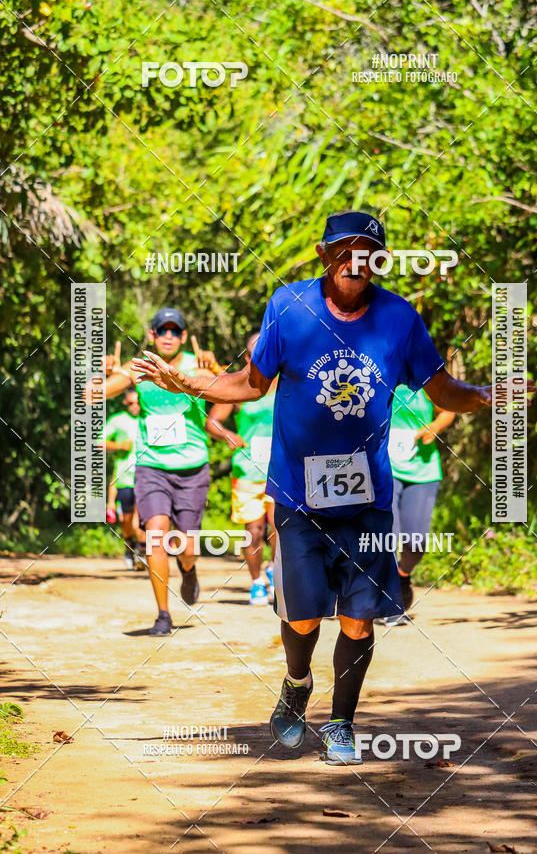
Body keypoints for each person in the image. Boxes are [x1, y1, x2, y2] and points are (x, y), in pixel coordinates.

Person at [132, 211, 499, 765]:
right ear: (324, 255)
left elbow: (442, 388)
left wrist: (486, 396)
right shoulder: (288, 306)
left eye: (369, 252)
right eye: (345, 249)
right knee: (302, 616)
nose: (357, 261)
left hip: (369, 495)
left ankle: (343, 723)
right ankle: (296, 685)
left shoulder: (400, 318)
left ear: (380, 260)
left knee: (358, 617)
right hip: (298, 493)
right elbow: (250, 385)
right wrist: (187, 381)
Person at [85, 309, 219, 635]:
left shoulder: (196, 364)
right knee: (156, 535)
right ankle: (163, 613)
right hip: (151, 466)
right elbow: (92, 395)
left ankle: (188, 570)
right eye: (162, 330)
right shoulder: (139, 366)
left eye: (175, 330)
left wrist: (213, 368)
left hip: (192, 466)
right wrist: (99, 375)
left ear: (184, 336)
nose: (168, 335)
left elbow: (241, 384)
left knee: (187, 547)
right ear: (152, 335)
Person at [376, 385, 455, 627]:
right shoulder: (381, 372)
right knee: (389, 535)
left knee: (417, 542)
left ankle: (402, 576)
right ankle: (389, 604)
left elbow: (448, 410)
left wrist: (434, 427)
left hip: (423, 468)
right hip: (386, 467)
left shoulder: (428, 378)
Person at [206, 332, 276, 605]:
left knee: (277, 528)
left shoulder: (286, 383)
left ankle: (278, 573)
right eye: (255, 353)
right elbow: (212, 422)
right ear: (247, 358)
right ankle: (257, 580)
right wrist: (227, 434)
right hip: (248, 469)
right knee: (254, 530)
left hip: (280, 469)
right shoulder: (238, 386)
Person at [100, 388, 142, 569]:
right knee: (127, 521)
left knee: (140, 520)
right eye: (131, 403)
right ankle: (129, 546)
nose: (135, 406)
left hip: (148, 476)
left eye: (137, 402)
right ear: (125, 403)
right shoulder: (117, 420)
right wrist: (119, 445)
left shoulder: (150, 418)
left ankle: (142, 552)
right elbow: (99, 442)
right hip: (124, 478)